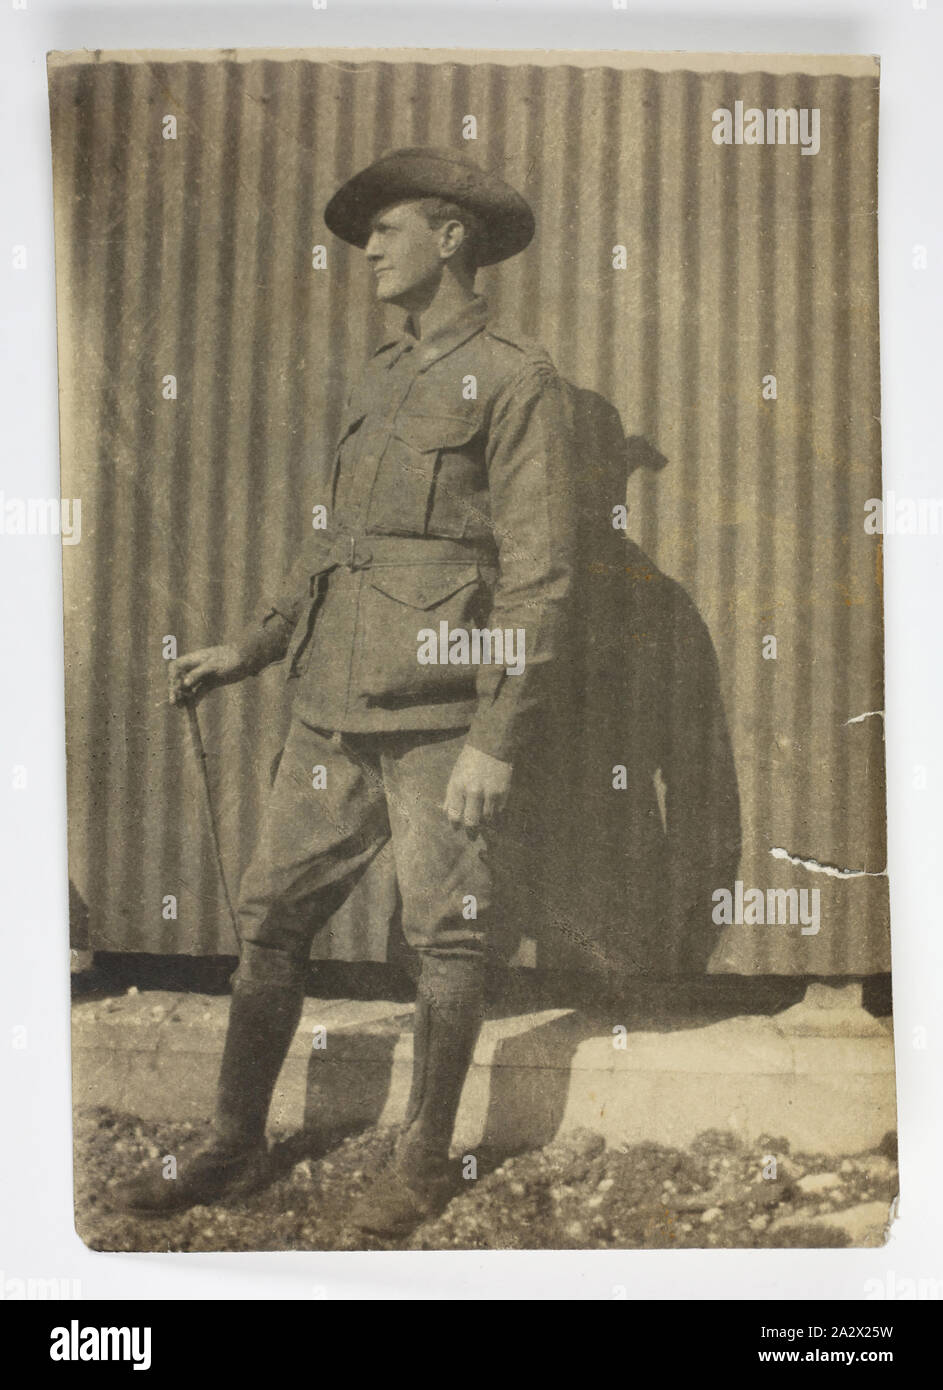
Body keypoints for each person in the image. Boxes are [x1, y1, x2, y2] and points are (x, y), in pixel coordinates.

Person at [114, 147, 577, 1237]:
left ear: (451, 238)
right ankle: (234, 1146)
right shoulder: (378, 373)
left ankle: (422, 1162)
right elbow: (335, 540)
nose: (367, 248)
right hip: (329, 700)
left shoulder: (515, 377)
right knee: (271, 920)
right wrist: (255, 646)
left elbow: (542, 574)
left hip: (438, 716)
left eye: (389, 228)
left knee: (450, 934)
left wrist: (496, 738)